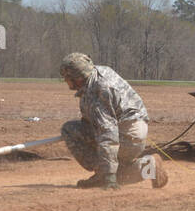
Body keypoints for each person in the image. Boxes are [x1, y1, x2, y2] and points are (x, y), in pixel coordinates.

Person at [59, 52, 168, 191]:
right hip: (133, 130)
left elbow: (108, 133)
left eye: (66, 78)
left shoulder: (99, 91)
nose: (65, 81)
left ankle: (107, 173)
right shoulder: (98, 72)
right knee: (73, 129)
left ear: (77, 78)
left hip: (126, 135)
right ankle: (144, 166)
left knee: (71, 131)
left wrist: (109, 175)